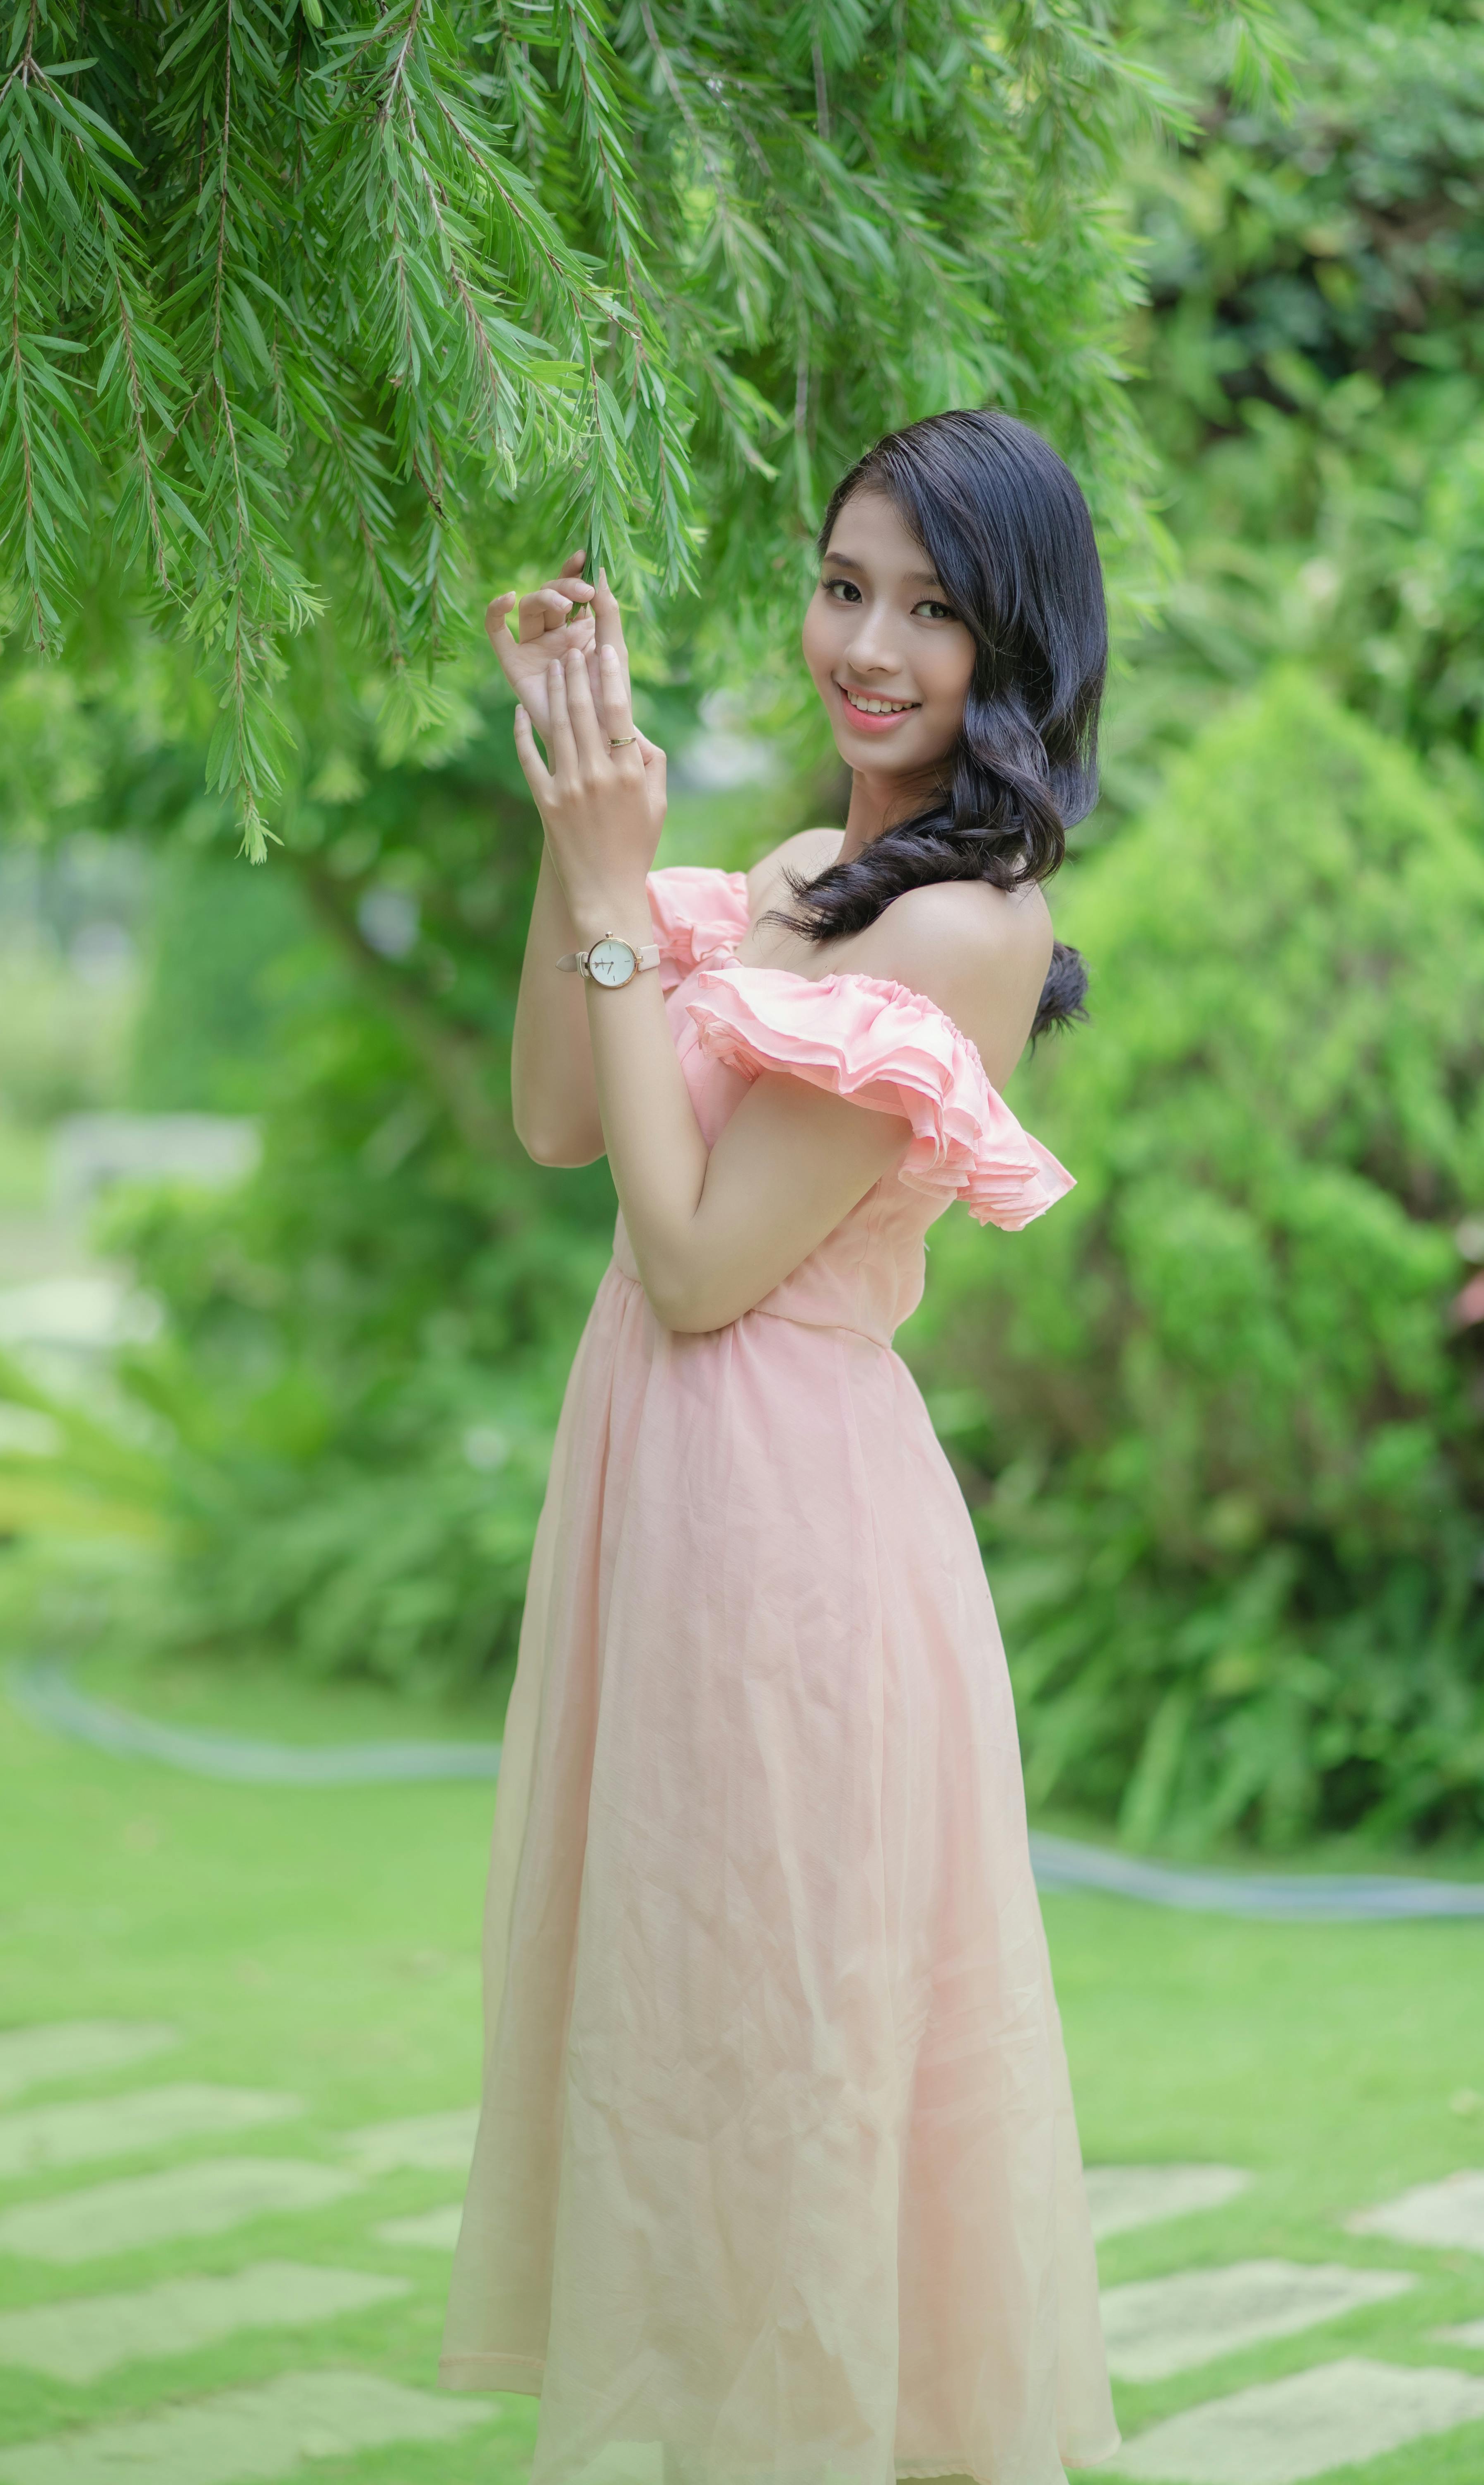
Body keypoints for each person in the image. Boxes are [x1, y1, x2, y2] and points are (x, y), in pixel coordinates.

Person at [440, 410, 1120, 2485]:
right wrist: (600, 848)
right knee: (671, 2030)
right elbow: (570, 1115)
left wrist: (613, 893)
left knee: (784, 2055)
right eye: (845, 587)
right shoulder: (812, 880)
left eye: (931, 608)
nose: (871, 645)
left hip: (789, 1541)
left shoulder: (964, 930)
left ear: (1021, 650)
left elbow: (699, 1257)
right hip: (672, 1511)